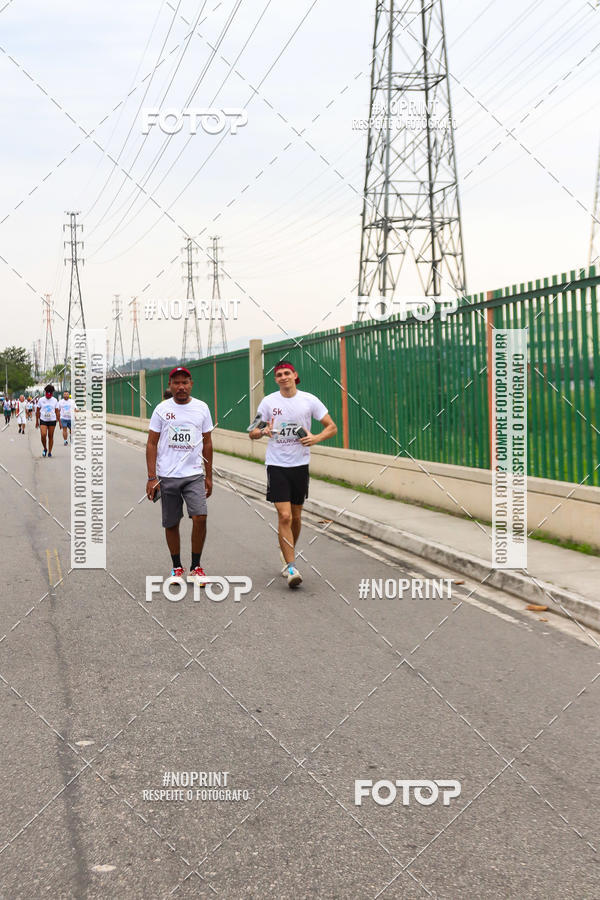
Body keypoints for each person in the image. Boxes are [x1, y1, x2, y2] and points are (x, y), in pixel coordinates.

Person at [249, 360, 337, 588]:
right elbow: (252, 431)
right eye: (279, 375)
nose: (283, 377)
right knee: (285, 516)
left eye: (287, 373)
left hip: (300, 465)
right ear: (275, 379)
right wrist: (263, 431)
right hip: (276, 465)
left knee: (296, 517)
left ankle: (286, 550)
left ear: (295, 375)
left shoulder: (309, 400)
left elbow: (331, 427)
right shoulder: (269, 402)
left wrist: (316, 438)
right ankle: (291, 567)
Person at [145, 366, 213, 582]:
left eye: (185, 382)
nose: (181, 387)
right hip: (168, 475)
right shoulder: (161, 409)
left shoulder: (202, 408)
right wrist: (152, 477)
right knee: (171, 522)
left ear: (191, 384)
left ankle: (196, 567)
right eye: (176, 383)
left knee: (200, 517)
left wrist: (209, 475)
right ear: (170, 385)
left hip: (194, 474)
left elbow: (207, 443)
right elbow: (151, 443)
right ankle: (176, 567)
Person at [35, 384, 60, 457]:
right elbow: (37, 411)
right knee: (43, 435)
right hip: (43, 419)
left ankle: (49, 452)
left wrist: (59, 421)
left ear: (52, 393)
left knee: (50, 436)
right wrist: (37, 422)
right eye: (47, 392)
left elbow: (57, 411)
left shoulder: (55, 400)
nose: (48, 394)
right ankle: (45, 448)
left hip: (52, 420)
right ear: (45, 392)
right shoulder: (41, 400)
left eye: (50, 393)